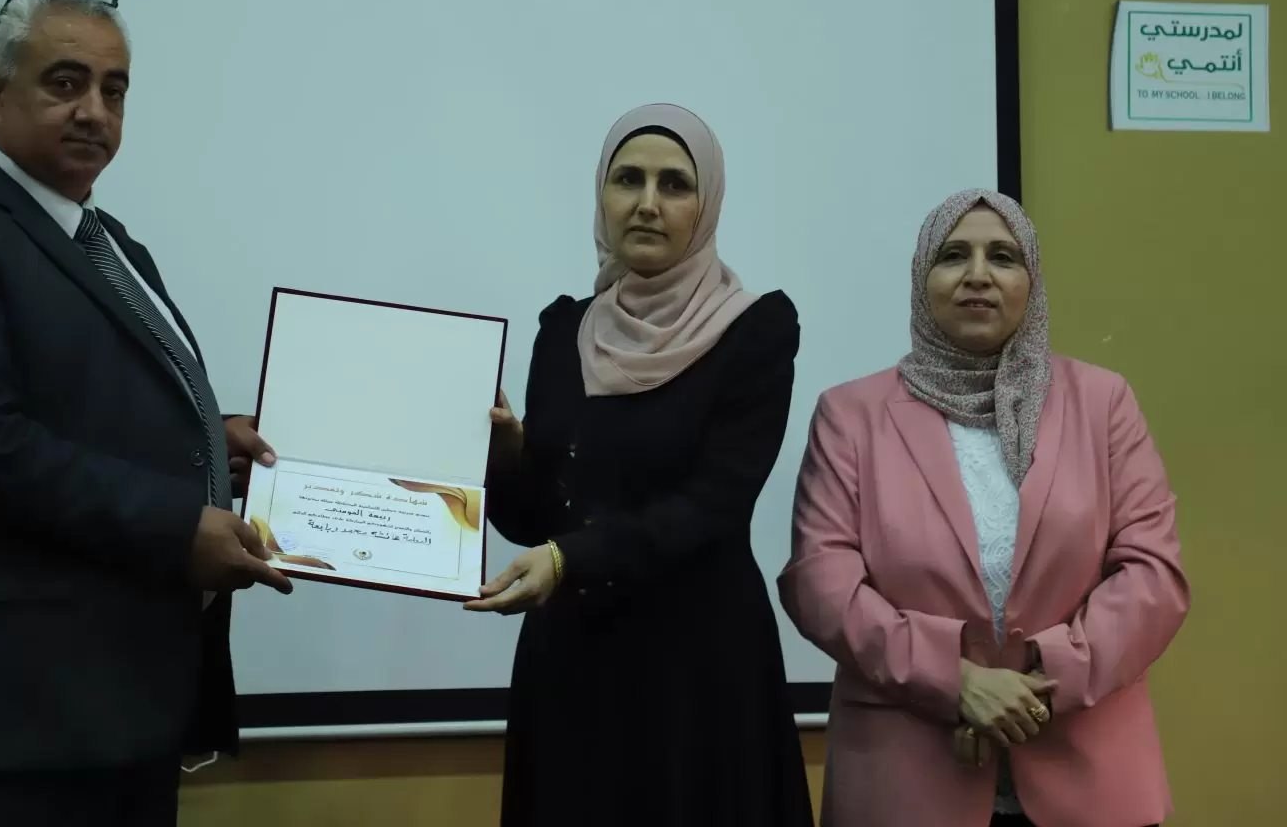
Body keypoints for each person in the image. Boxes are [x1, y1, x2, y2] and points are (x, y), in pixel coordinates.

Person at [0, 0, 293, 827]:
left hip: (119, 717)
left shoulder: (112, 245)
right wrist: (177, 525)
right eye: (65, 83)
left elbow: (88, 406)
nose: (94, 111)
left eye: (113, 90)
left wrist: (211, 441)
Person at [777, 189, 1189, 827]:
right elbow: (821, 585)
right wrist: (957, 681)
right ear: (922, 278)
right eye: (952, 256)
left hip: (1089, 774)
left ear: (1032, 280)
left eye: (1002, 256)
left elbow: (1152, 575)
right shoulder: (850, 415)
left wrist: (1040, 678)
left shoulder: (1103, 403)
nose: (977, 274)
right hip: (905, 781)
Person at [466, 103, 815, 826]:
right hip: (573, 665)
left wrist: (567, 558)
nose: (648, 203)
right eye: (627, 179)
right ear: (601, 195)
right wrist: (507, 457)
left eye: (675, 184)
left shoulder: (756, 330)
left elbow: (714, 503)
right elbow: (538, 516)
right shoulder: (564, 329)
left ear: (706, 204)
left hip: (699, 670)